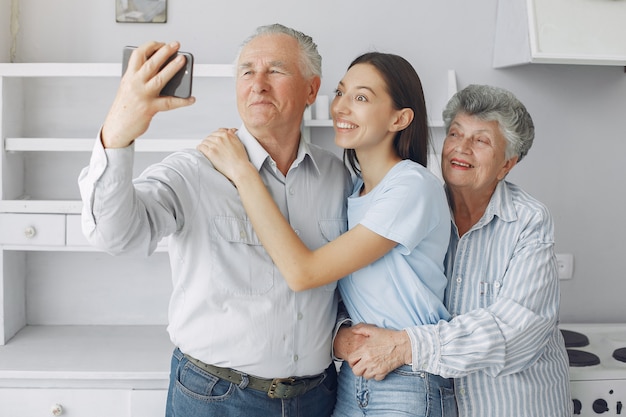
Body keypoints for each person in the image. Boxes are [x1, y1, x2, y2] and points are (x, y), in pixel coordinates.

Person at [78, 24, 352, 417]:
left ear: (311, 89)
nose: (257, 84)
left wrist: (344, 332)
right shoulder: (193, 171)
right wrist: (118, 133)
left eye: (276, 70)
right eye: (246, 71)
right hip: (214, 399)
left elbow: (347, 282)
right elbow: (113, 235)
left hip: (318, 397)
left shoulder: (338, 178)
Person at [198, 52, 457, 417]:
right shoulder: (353, 191)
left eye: (362, 98)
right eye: (340, 93)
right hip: (355, 379)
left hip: (407, 380)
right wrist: (339, 335)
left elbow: (304, 272)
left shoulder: (411, 187)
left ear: (400, 118)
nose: (341, 107)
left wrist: (243, 173)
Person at [333, 84, 573, 417]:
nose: (461, 149)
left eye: (481, 140)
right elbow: (372, 286)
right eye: (455, 134)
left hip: (512, 406)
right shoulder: (417, 204)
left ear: (507, 164)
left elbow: (516, 332)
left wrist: (405, 346)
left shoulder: (527, 221)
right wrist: (342, 336)